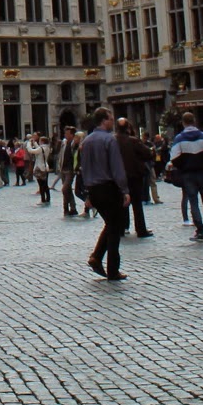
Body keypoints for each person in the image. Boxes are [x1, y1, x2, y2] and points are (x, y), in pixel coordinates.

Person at [79, 108, 130, 280]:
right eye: (110, 119)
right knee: (115, 227)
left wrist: (87, 194)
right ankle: (112, 269)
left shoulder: (86, 141)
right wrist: (124, 190)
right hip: (109, 187)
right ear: (103, 120)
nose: (112, 122)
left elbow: (83, 168)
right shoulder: (109, 139)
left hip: (93, 189)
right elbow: (117, 168)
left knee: (111, 223)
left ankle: (96, 257)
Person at [169, 113, 203, 240]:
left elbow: (174, 158)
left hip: (188, 173)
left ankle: (200, 231)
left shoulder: (179, 138)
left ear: (183, 122)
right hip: (202, 172)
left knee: (193, 201)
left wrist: (183, 166)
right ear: (194, 121)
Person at [117, 121, 153, 239]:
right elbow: (148, 154)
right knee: (137, 203)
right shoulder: (133, 141)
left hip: (118, 177)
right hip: (134, 176)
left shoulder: (112, 140)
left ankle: (121, 228)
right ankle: (141, 229)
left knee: (121, 203)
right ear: (128, 128)